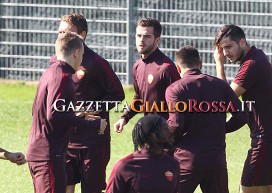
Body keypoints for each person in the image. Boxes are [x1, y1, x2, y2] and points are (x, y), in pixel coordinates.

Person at [49, 13, 125, 193]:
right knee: (63, 186)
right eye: (60, 32)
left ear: (82, 36)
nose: (62, 37)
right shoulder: (54, 61)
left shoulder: (96, 63)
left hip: (93, 141)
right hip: (66, 139)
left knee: (91, 188)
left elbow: (118, 94)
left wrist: (88, 110)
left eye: (67, 32)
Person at [26, 32, 107, 193]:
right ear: (76, 53)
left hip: (43, 153)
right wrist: (93, 124)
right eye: (82, 54)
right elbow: (54, 114)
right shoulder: (62, 77)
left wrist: (75, 112)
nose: (82, 59)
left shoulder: (51, 71)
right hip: (48, 155)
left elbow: (45, 110)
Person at [214, 24, 272, 193]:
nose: (225, 53)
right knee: (267, 189)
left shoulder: (251, 64)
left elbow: (225, 101)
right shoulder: (256, 56)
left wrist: (219, 65)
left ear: (242, 42)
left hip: (267, 137)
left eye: (228, 46)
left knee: (246, 188)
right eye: (222, 49)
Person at [165, 45, 248, 193]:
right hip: (216, 160)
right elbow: (242, 115)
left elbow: (176, 124)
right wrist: (223, 128)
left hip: (187, 160)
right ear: (200, 63)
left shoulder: (175, 89)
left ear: (178, 67)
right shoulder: (220, 85)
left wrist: (164, 146)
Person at [114, 18, 180, 133]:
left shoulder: (166, 68)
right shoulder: (137, 66)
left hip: (166, 136)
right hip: (148, 133)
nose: (141, 40)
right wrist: (125, 118)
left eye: (147, 36)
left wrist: (170, 131)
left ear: (157, 40)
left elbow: (181, 104)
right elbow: (139, 99)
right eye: (138, 36)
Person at [106, 115, 180, 193]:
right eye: (164, 128)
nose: (170, 131)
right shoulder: (125, 166)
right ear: (152, 135)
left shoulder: (173, 164)